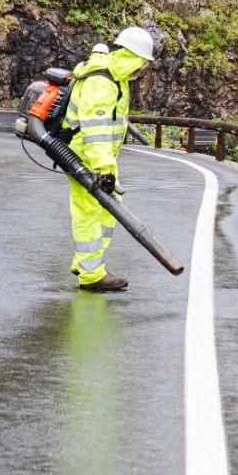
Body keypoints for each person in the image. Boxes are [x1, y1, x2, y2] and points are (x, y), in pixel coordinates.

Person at [65, 26, 155, 292]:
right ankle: (91, 274)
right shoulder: (101, 83)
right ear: (132, 57)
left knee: (108, 207)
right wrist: (105, 169)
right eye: (141, 63)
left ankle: (86, 262)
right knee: (88, 210)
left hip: (95, 159)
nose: (142, 70)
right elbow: (95, 131)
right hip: (84, 158)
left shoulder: (117, 79)